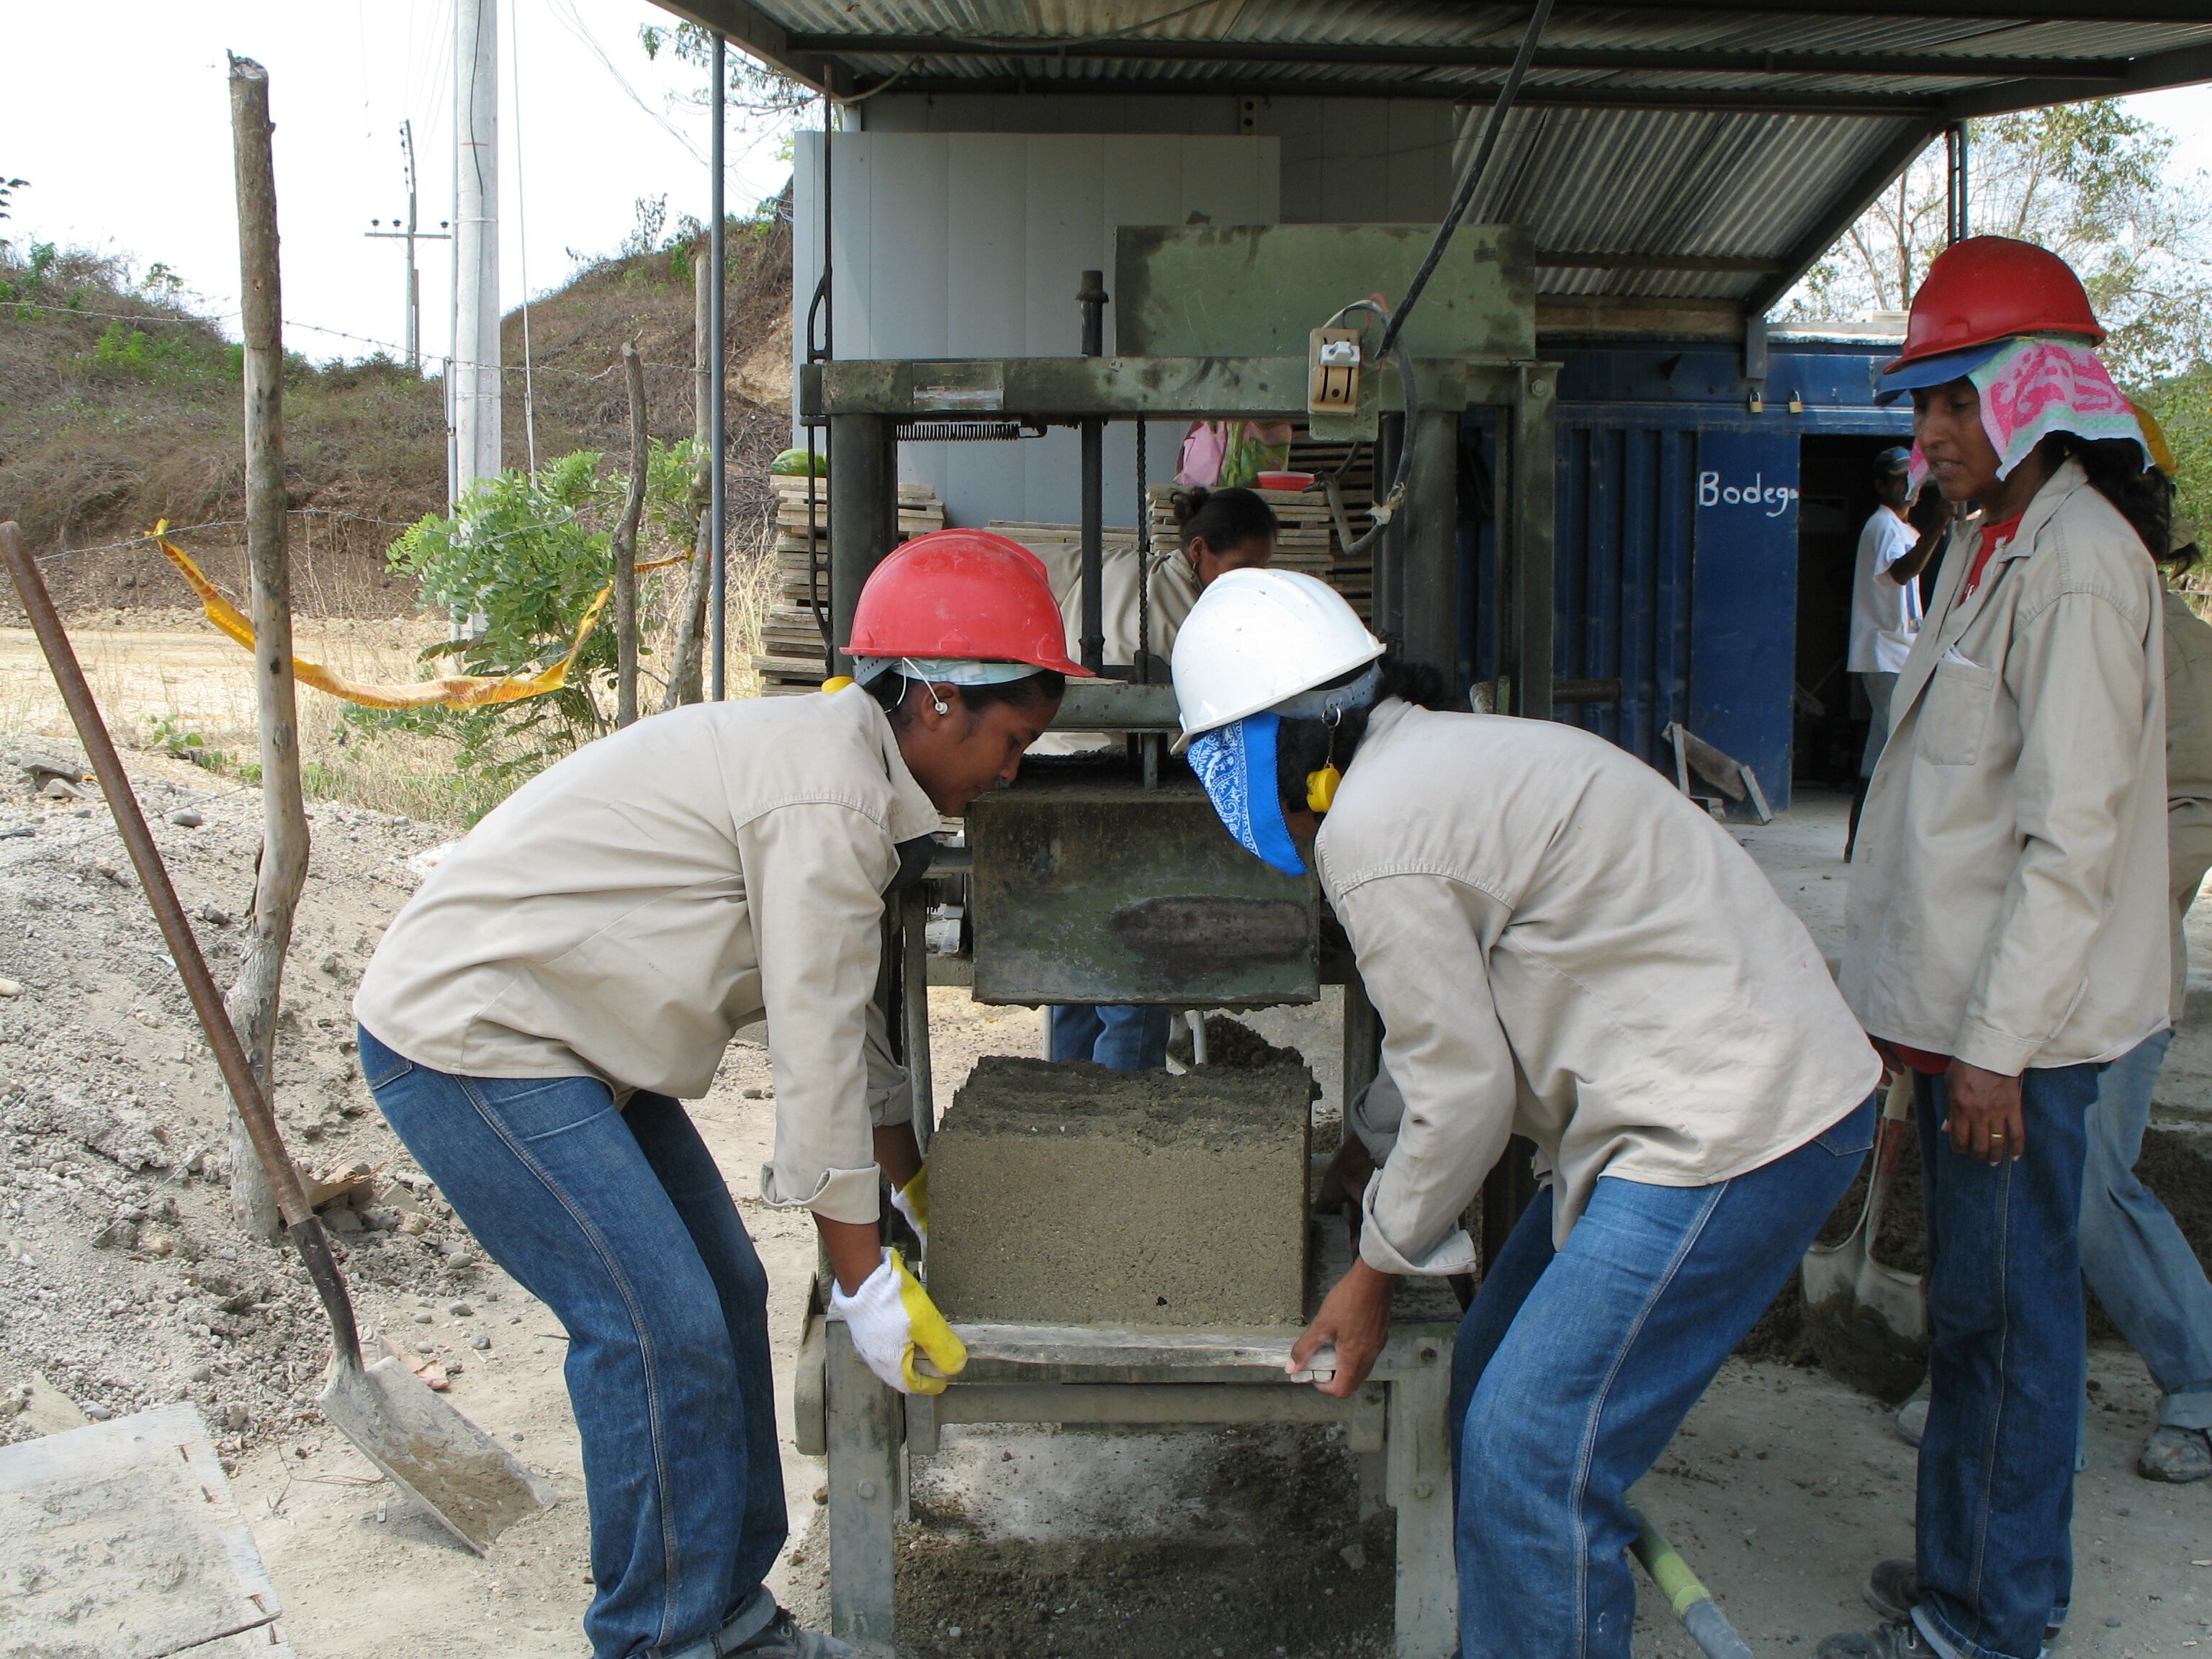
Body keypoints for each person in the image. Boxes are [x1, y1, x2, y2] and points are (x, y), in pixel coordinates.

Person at [350, 531, 1085, 1659]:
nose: (1014, 771)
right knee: (655, 1329)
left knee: (730, 1289)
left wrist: (916, 1188)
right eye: (1015, 739)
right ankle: (660, 1641)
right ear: (940, 700)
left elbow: (852, 1025)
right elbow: (815, 1060)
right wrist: (865, 1284)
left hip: (580, 1037)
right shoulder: (827, 800)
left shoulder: (850, 775)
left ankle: (733, 1622)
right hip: (476, 1036)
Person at [1169, 569, 1883, 1659]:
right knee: (1485, 1382)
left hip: (1727, 1130)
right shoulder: (1440, 759)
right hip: (1708, 1105)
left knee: (1531, 1447)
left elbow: (1466, 1094)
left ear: (1284, 740)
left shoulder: (1373, 826)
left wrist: (1371, 1276)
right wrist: (1361, 1171)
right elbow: (1438, 1045)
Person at [1827, 236, 2174, 1659]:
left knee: (2015, 1334)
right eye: (1923, 407)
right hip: (1970, 1032)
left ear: (2037, 393)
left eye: (1955, 402)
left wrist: (1990, 1053)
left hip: (2023, 1047)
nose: (1929, 433)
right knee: (1970, 1319)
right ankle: (1961, 1574)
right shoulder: (1991, 546)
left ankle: (1989, 1621)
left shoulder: (2081, 567)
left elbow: (2069, 847)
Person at [1046, 485, 1280, 1071]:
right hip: (1105, 794)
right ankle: (1120, 1131)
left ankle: (1064, 1115)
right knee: (1136, 977)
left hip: (1054, 786)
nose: (1251, 583)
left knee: (1077, 967)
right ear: (1199, 550)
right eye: (1243, 567)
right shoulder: (1178, 612)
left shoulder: (1133, 572)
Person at [2080, 459, 2212, 1483]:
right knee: (2001, 1188)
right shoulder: (2006, 610)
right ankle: (1989, 1379)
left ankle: (2200, 1379)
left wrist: (2102, 901)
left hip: (2110, 978)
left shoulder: (2189, 657)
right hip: (1998, 979)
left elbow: (2190, 816)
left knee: (2086, 1184)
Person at [1845, 447, 1933, 858]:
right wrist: (1939, 527)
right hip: (1886, 654)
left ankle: (1859, 841)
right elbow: (1901, 572)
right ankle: (1884, 842)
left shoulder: (1899, 528)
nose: (1908, 486)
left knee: (1879, 749)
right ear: (1883, 486)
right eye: (1900, 479)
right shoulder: (1882, 526)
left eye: (1911, 478)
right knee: (1901, 747)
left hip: (1898, 651)